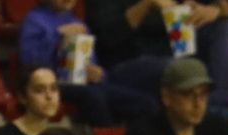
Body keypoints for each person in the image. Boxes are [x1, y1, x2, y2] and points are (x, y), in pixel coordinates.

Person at [91, 0, 228, 122]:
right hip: (125, 62)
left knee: (222, 27)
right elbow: (107, 37)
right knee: (177, 68)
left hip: (174, 52)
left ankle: (218, 111)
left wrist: (215, 9)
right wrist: (147, 4)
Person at [18, 6, 152, 128]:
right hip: (56, 83)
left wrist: (98, 73)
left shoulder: (78, 23)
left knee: (145, 102)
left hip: (84, 83)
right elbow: (31, 64)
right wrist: (57, 36)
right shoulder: (34, 21)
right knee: (93, 96)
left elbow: (92, 62)